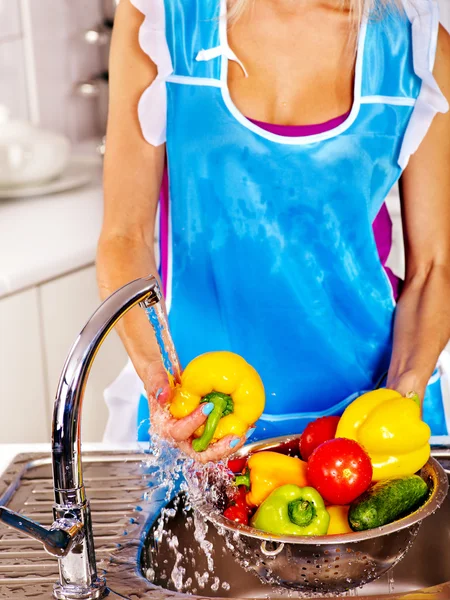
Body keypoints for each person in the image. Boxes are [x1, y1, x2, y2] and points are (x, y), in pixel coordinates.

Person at [97, 0, 450, 462]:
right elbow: (125, 237)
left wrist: (402, 394)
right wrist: (163, 390)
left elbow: (434, 267)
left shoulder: (415, 40)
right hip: (200, 415)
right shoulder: (165, 19)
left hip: (365, 416)